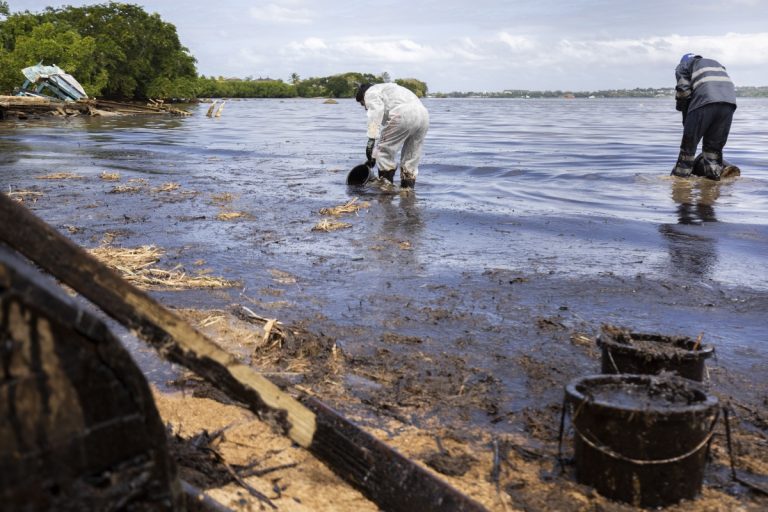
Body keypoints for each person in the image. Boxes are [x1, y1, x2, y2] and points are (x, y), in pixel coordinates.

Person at [671, 53, 736, 181]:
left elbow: (684, 92)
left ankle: (680, 181)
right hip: (729, 103)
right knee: (713, 150)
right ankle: (713, 181)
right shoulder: (716, 63)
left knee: (688, 150)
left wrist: (683, 112)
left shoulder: (683, 65)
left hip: (705, 101)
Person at [355, 82, 429, 189]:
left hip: (403, 114)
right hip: (424, 115)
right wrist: (373, 157)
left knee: (384, 154)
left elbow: (376, 111)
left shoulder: (370, 92)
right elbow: (386, 139)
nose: (366, 108)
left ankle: (386, 190)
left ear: (363, 96)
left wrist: (371, 138)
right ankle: (407, 191)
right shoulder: (390, 88)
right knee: (411, 156)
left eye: (363, 104)